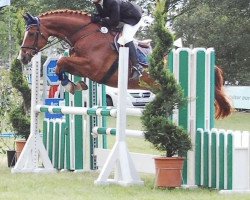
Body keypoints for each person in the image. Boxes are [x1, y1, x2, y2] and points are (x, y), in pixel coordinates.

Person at [91, 0, 144, 80]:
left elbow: (114, 22)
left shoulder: (112, 2)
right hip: (124, 17)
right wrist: (98, 15)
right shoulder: (101, 3)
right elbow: (104, 14)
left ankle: (137, 66)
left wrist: (100, 20)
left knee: (126, 38)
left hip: (134, 18)